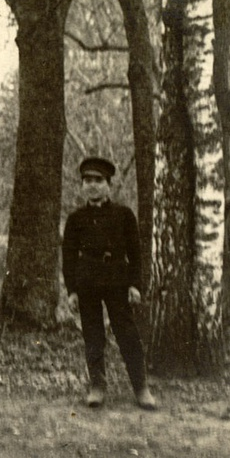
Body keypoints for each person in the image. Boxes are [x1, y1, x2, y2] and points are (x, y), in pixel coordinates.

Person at [62, 156, 157, 411]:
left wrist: (135, 285)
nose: (92, 186)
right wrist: (71, 290)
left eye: (98, 180)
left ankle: (141, 388)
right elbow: (68, 257)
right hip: (87, 283)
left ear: (108, 185)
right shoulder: (75, 219)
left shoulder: (123, 215)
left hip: (117, 280)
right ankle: (97, 387)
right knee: (93, 335)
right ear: (82, 185)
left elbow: (136, 255)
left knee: (127, 333)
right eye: (87, 181)